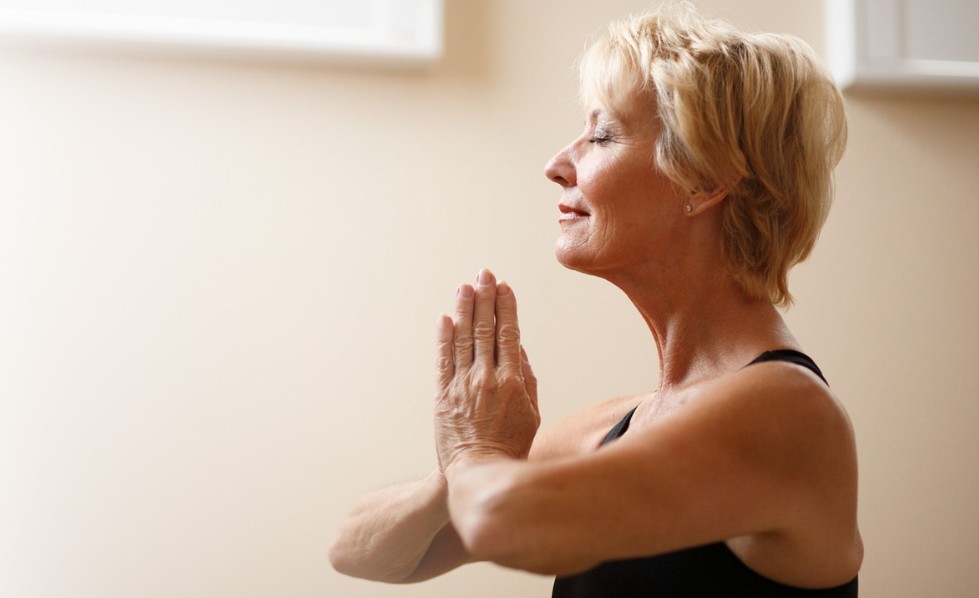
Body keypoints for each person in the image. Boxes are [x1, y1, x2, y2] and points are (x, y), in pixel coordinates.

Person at [330, 4, 862, 596]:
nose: (557, 165)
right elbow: (357, 550)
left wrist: (475, 450)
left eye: (602, 134)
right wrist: (457, 468)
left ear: (705, 179)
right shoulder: (617, 426)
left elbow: (500, 522)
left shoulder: (788, 414)